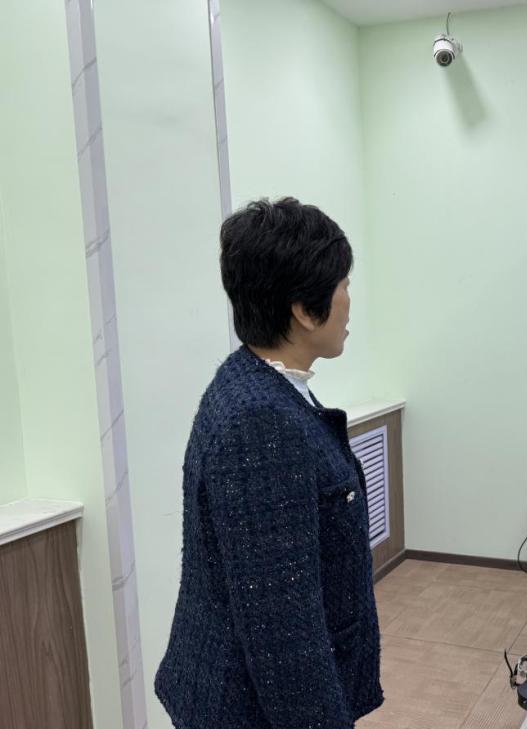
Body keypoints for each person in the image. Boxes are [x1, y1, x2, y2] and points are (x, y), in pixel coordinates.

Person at [155, 198, 383, 729]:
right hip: (245, 708)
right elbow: (283, 628)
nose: (349, 301)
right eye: (343, 285)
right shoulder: (260, 421)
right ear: (304, 309)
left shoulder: (260, 384)